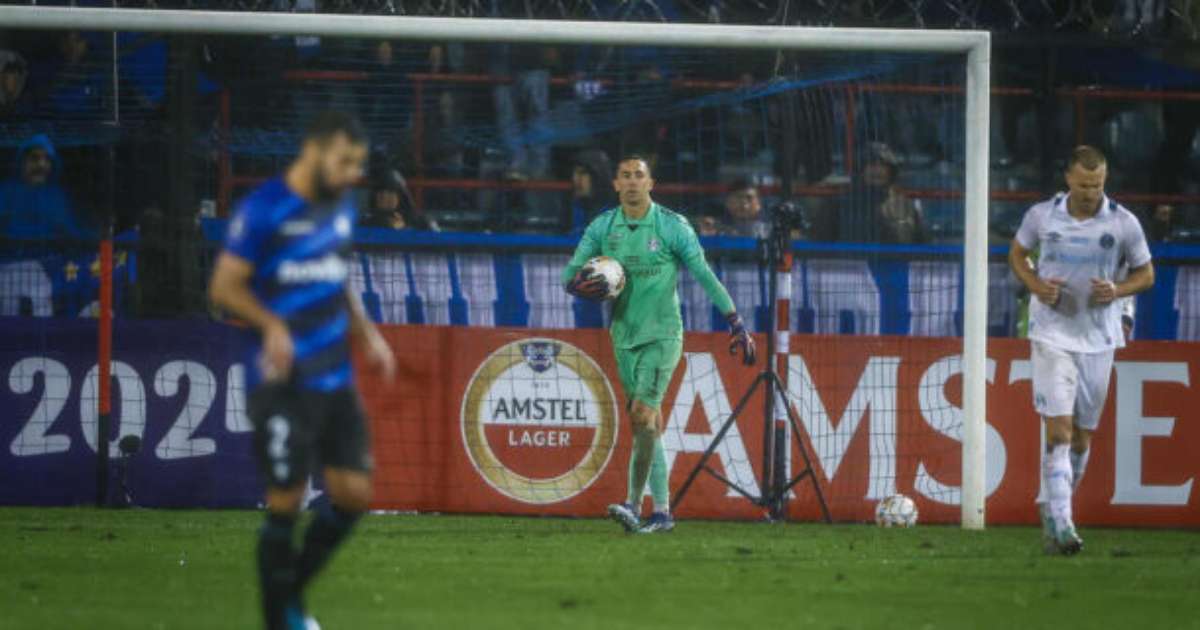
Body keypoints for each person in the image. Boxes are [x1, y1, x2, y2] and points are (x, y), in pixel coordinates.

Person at [207, 112, 396, 630]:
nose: (352, 174)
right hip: (282, 382)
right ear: (313, 150)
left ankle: (288, 597)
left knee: (354, 495)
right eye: (344, 161)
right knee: (286, 501)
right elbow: (223, 288)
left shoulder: (341, 207)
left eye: (358, 164)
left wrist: (367, 333)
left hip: (335, 376)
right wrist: (271, 324)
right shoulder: (264, 209)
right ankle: (282, 619)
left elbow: (338, 277)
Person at [562, 154, 757, 534]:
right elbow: (570, 274)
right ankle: (663, 512)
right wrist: (581, 284)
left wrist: (735, 321)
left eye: (639, 175)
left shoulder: (672, 226)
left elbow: (703, 273)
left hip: (663, 335)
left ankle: (632, 505)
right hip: (623, 336)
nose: (632, 181)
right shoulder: (603, 227)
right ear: (616, 184)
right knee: (647, 425)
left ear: (651, 184)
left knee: (641, 414)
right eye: (625, 175)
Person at [1008, 145, 1154, 555]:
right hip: (1051, 334)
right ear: (1069, 179)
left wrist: (1118, 290)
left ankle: (1052, 507)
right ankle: (1064, 525)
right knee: (1059, 431)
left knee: (1081, 440)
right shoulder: (1042, 216)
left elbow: (1146, 274)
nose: (1092, 192)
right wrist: (1036, 286)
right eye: (1085, 185)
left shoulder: (1123, 223)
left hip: (1099, 339)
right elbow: (1017, 255)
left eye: (1098, 185)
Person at [0, 134, 91, 240]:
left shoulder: (57, 196)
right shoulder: (6, 192)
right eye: (34, 158)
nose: (41, 165)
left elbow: (70, 232)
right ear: (21, 162)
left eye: (47, 159)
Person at [564, 149, 612, 235]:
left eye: (583, 173)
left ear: (599, 178)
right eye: (574, 173)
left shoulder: (615, 215)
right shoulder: (572, 209)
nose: (575, 179)